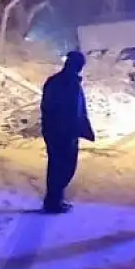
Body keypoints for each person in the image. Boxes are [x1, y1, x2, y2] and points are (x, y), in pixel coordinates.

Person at [40, 50, 95, 214]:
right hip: (63, 132)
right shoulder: (67, 83)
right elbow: (65, 109)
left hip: (59, 130)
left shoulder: (59, 81)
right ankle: (53, 202)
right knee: (62, 167)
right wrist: (69, 128)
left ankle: (55, 199)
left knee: (60, 166)